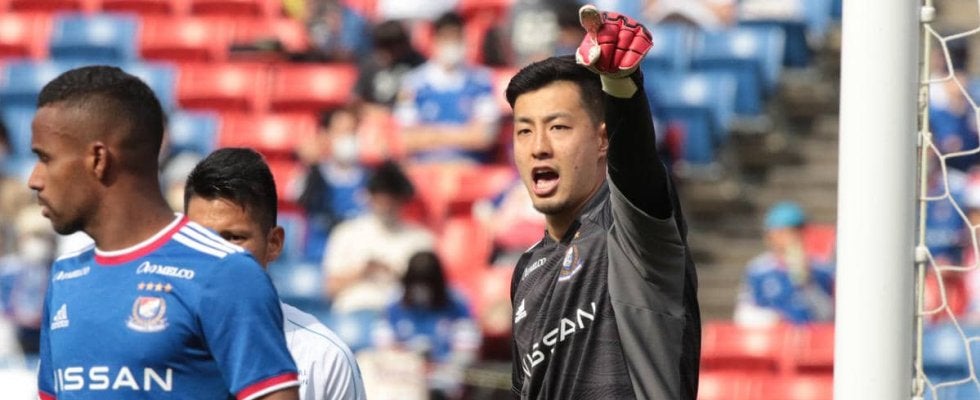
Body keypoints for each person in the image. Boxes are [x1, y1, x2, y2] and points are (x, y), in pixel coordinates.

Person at [29, 66, 299, 399]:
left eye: (45, 158)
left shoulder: (224, 272)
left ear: (98, 159)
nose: (34, 179)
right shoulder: (65, 276)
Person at [505, 6, 701, 399]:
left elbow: (636, 165)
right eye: (525, 131)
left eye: (558, 127)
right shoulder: (527, 268)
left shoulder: (631, 232)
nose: (539, 147)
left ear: (602, 140)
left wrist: (621, 85)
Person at [184, 147, 367, 400]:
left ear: (274, 243)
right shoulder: (148, 345)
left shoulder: (324, 359)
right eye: (200, 238)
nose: (214, 253)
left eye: (234, 237)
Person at [322, 161, 435, 313]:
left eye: (392, 200)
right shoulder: (346, 233)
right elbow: (329, 289)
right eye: (381, 200)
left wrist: (398, 275)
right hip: (355, 311)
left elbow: (429, 293)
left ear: (402, 200)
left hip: (401, 316)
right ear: (370, 198)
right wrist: (363, 271)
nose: (386, 206)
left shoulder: (420, 239)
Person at [394, 12, 501, 164]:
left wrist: (431, 135)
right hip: (426, 166)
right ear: (435, 40)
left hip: (469, 166)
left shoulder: (481, 80)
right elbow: (408, 139)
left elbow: (485, 137)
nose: (451, 43)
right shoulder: (413, 83)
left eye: (456, 37)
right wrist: (464, 134)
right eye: (446, 38)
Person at [376, 251, 480, 399]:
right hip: (403, 378)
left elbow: (466, 352)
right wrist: (411, 359)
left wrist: (441, 370)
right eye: (416, 285)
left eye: (426, 285)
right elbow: (383, 348)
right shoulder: (393, 301)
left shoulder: (458, 303)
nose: (421, 291)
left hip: (444, 380)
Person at [732, 202, 835, 326]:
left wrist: (808, 284)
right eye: (784, 232)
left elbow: (828, 315)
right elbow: (743, 313)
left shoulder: (822, 269)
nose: (792, 237)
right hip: (774, 336)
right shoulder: (757, 270)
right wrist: (774, 319)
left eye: (796, 231)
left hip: (812, 335)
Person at [295, 108, 370, 263]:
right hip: (317, 256)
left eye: (351, 131)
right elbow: (301, 199)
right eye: (340, 131)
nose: (346, 138)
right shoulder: (312, 173)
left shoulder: (370, 178)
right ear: (326, 135)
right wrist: (312, 167)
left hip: (356, 260)